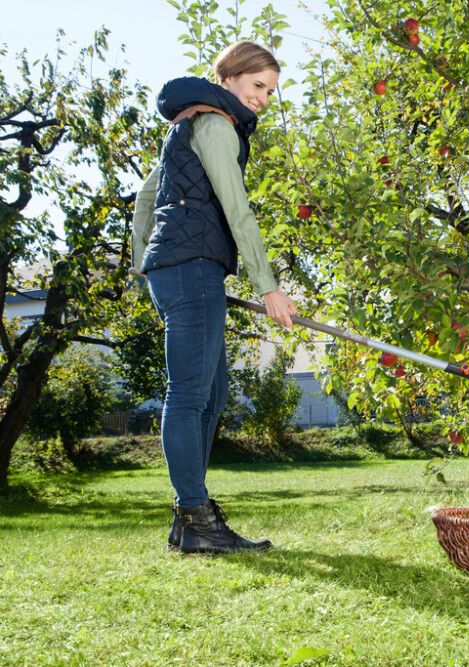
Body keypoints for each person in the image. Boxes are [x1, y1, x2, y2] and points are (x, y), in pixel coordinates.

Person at [131, 41, 296, 554]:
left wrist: (145, 262)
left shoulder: (186, 123)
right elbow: (236, 209)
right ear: (229, 78)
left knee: (212, 392)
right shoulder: (218, 125)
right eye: (257, 86)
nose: (265, 98)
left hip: (176, 272)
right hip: (193, 270)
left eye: (271, 90)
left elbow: (144, 198)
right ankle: (196, 514)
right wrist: (266, 284)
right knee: (189, 395)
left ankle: (189, 517)